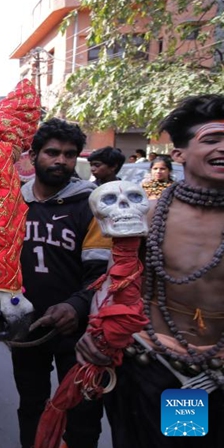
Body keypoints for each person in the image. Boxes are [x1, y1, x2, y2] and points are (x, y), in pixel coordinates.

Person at [76, 95, 224, 447]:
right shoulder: (145, 216)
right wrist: (97, 332)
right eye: (212, 139)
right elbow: (116, 280)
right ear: (179, 155)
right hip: (158, 364)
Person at [15, 118, 110, 448]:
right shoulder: (14, 204)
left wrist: (77, 305)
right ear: (33, 155)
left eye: (69, 155)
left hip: (78, 331)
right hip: (27, 327)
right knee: (31, 405)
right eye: (52, 153)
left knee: (83, 413)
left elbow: (104, 273)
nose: (61, 161)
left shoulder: (92, 204)